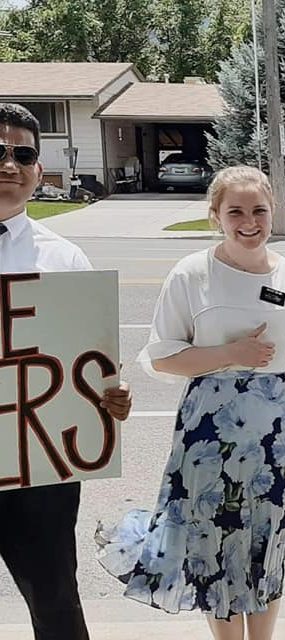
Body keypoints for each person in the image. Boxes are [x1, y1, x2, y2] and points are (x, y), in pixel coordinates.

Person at [95, 166, 285, 640]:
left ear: (273, 210)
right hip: (208, 432)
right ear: (215, 215)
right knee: (211, 542)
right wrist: (230, 355)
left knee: (267, 543)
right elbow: (161, 357)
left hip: (280, 431)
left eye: (259, 209)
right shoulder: (192, 273)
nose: (249, 221)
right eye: (235, 211)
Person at [0, 102, 132, 640]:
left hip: (42, 466)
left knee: (55, 599)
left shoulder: (66, 258)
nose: (9, 163)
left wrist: (111, 395)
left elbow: (91, 360)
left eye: (22, 154)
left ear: (37, 168)